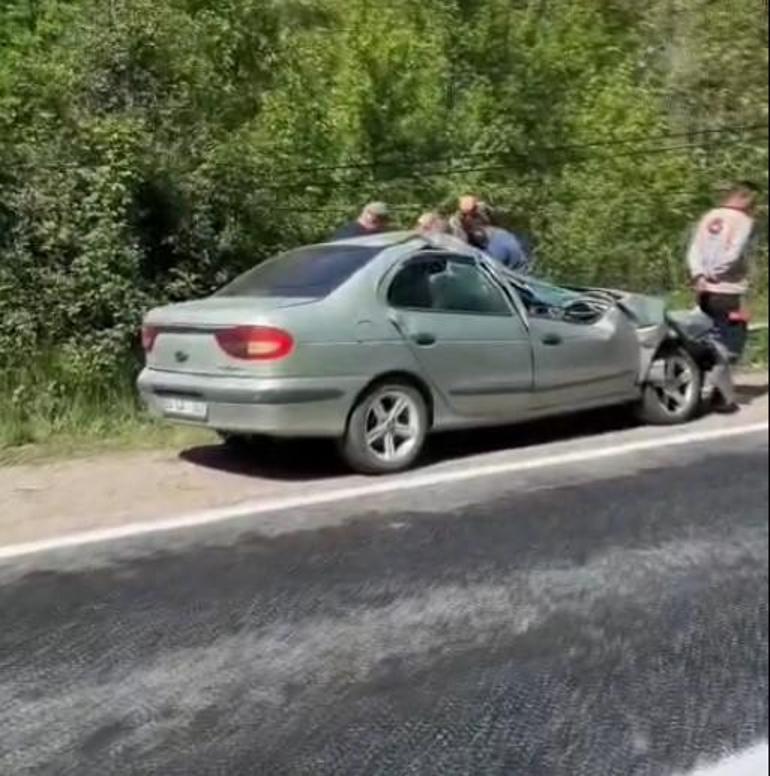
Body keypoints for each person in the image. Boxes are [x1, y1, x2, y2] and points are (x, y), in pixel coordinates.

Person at [686, 180, 760, 409]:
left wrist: (699, 275)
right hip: (728, 291)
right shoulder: (743, 221)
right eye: (753, 201)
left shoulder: (709, 217)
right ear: (744, 197)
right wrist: (714, 273)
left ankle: (705, 386)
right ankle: (721, 397)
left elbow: (694, 249)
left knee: (711, 337)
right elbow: (734, 253)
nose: (754, 206)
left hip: (705, 292)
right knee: (731, 344)